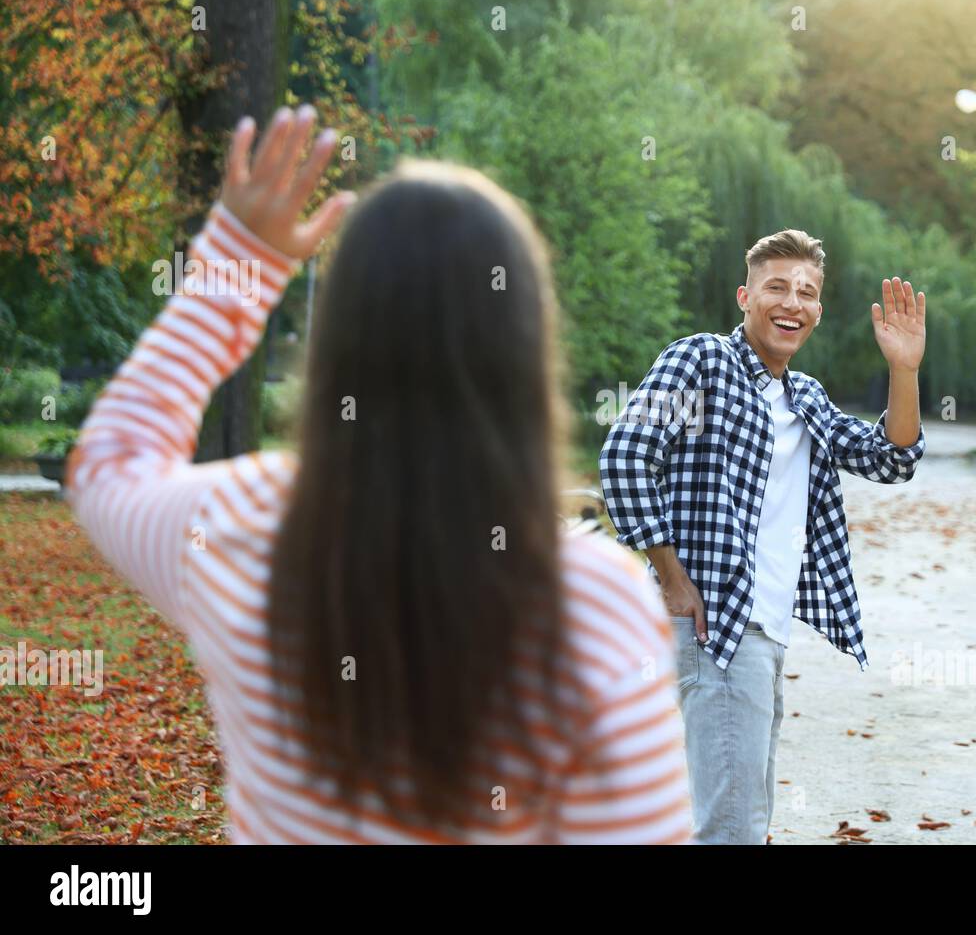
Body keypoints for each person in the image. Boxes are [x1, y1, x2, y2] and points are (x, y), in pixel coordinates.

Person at [66, 104, 692, 844]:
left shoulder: (238, 529)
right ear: (527, 355)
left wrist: (234, 266)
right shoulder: (593, 604)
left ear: (335, 344)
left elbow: (108, 464)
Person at [598, 229, 927, 844]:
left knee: (741, 817)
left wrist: (903, 370)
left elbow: (890, 458)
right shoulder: (701, 361)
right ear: (746, 296)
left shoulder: (802, 397)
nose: (792, 302)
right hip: (718, 625)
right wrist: (672, 579)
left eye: (807, 292)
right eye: (777, 287)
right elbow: (624, 456)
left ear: (819, 312)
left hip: (767, 630)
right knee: (733, 828)